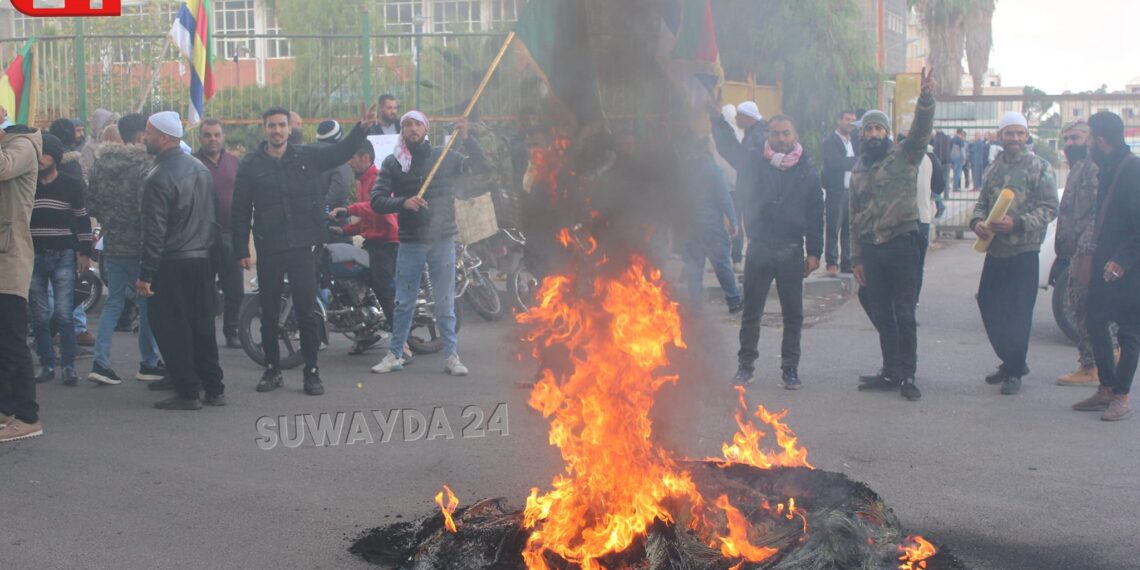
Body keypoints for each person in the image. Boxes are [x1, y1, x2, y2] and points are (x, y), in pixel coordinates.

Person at [232, 105, 376, 395]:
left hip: (303, 247)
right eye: (271, 125)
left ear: (289, 128)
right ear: (264, 129)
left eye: (281, 125)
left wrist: (360, 129)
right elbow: (239, 209)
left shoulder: (307, 156)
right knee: (270, 312)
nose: (276, 131)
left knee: (307, 311)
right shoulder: (251, 164)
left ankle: (311, 372)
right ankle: (272, 370)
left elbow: (339, 152)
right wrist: (240, 249)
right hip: (270, 247)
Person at [369, 111, 484, 376]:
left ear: (426, 128)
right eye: (406, 125)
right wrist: (403, 202)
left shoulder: (445, 157)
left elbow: (479, 169)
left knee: (444, 301)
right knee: (403, 302)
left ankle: (451, 355)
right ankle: (395, 354)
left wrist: (467, 139)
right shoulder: (393, 163)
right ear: (402, 132)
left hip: (442, 239)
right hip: (410, 242)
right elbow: (377, 200)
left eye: (417, 124)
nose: (412, 128)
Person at [713, 113, 823, 390]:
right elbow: (728, 148)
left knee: (793, 315)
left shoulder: (808, 170)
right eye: (775, 134)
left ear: (794, 136)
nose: (781, 139)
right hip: (760, 248)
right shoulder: (755, 163)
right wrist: (715, 116)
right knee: (751, 312)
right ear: (768, 136)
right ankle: (745, 366)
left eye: (786, 133)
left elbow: (815, 214)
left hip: (791, 251)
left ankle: (790, 369)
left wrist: (815, 252)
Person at [850, 68, 936, 402]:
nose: (874, 133)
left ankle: (908, 374)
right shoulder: (858, 168)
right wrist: (856, 257)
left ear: (887, 132)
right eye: (869, 128)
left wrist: (926, 101)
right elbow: (852, 214)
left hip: (902, 244)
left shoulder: (903, 155)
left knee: (904, 312)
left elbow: (920, 133)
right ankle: (890, 370)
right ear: (863, 134)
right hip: (872, 250)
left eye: (879, 128)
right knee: (881, 311)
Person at [136, 111, 224, 410]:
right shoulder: (200, 168)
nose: (144, 137)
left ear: (163, 137)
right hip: (201, 259)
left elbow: (154, 231)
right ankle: (214, 388)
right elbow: (213, 218)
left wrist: (146, 274)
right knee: (202, 326)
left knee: (173, 328)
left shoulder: (157, 176)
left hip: (171, 263)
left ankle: (187, 392)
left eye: (147, 133)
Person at [970, 111, 1058, 396]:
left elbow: (1049, 208)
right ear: (1000, 136)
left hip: (1025, 250)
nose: (1015, 138)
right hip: (996, 251)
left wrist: (1017, 223)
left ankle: (1013, 370)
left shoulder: (1040, 167)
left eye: (1020, 133)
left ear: (1027, 135)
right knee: (987, 302)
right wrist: (977, 223)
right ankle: (1012, 361)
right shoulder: (992, 169)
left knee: (1019, 312)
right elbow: (982, 204)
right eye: (1010, 133)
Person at [85, 113, 166, 386]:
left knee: (113, 303)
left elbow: (92, 205)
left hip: (112, 244)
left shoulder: (101, 162)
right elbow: (150, 210)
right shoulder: (147, 164)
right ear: (143, 134)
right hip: (140, 247)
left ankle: (101, 362)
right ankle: (149, 361)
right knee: (147, 305)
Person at [1072, 112, 1140, 421]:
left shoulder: (1132, 170)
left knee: (1128, 332)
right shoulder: (1109, 168)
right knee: (1095, 321)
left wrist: (1122, 261)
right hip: (1104, 264)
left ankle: (1121, 395)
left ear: (1100, 140)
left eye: (1088, 139)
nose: (1085, 145)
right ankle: (1107, 388)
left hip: (1129, 267)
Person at [28, 133, 92, 387]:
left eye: (44, 153)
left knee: (64, 314)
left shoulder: (71, 184)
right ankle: (47, 364)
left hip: (64, 253)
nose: (39, 158)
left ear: (55, 157)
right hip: (32, 254)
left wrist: (84, 252)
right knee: (40, 315)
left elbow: (82, 218)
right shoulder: (26, 184)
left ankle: (68, 365)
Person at [0, 115, 45, 443]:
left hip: (10, 260)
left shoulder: (24, 146)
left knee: (13, 342)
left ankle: (28, 416)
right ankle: (5, 410)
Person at [330, 142, 399, 355]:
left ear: (366, 157)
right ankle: (366, 333)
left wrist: (349, 209)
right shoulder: (361, 182)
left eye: (353, 158)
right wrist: (345, 231)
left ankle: (401, 344)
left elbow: (376, 207)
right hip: (373, 241)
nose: (349, 162)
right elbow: (368, 220)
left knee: (382, 287)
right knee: (356, 284)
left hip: (388, 242)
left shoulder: (379, 180)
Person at [1054, 120, 1102, 387]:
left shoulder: (1092, 168)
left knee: (1082, 306)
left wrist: (1086, 249)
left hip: (1088, 252)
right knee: (1078, 305)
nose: (1071, 144)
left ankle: (1090, 365)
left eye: (1077, 138)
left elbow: (1097, 211)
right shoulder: (1077, 168)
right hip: (1076, 250)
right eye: (1067, 139)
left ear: (1090, 139)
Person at [193, 118, 244, 349]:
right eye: (207, 135)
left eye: (216, 134)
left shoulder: (235, 162)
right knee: (203, 289)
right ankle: (203, 332)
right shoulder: (191, 163)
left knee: (234, 288)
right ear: (200, 138)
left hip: (231, 235)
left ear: (222, 137)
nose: (212, 139)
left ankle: (232, 331)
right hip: (200, 237)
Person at [679, 136, 741, 313]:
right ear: (707, 148)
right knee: (722, 264)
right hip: (711, 225)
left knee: (694, 267)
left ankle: (696, 307)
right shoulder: (713, 170)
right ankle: (734, 301)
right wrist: (733, 220)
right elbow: (723, 197)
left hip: (690, 225)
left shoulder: (685, 170)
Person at [821, 110, 858, 276]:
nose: (850, 123)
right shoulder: (831, 142)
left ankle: (847, 262)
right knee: (833, 227)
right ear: (839, 121)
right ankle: (831, 263)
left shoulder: (854, 141)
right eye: (847, 119)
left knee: (849, 228)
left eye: (853, 120)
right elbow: (836, 163)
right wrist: (856, 161)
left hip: (851, 191)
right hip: (836, 191)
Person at [315, 120, 356, 216]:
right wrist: (325, 210)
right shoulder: (339, 157)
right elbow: (340, 192)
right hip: (334, 218)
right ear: (339, 137)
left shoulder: (308, 153)